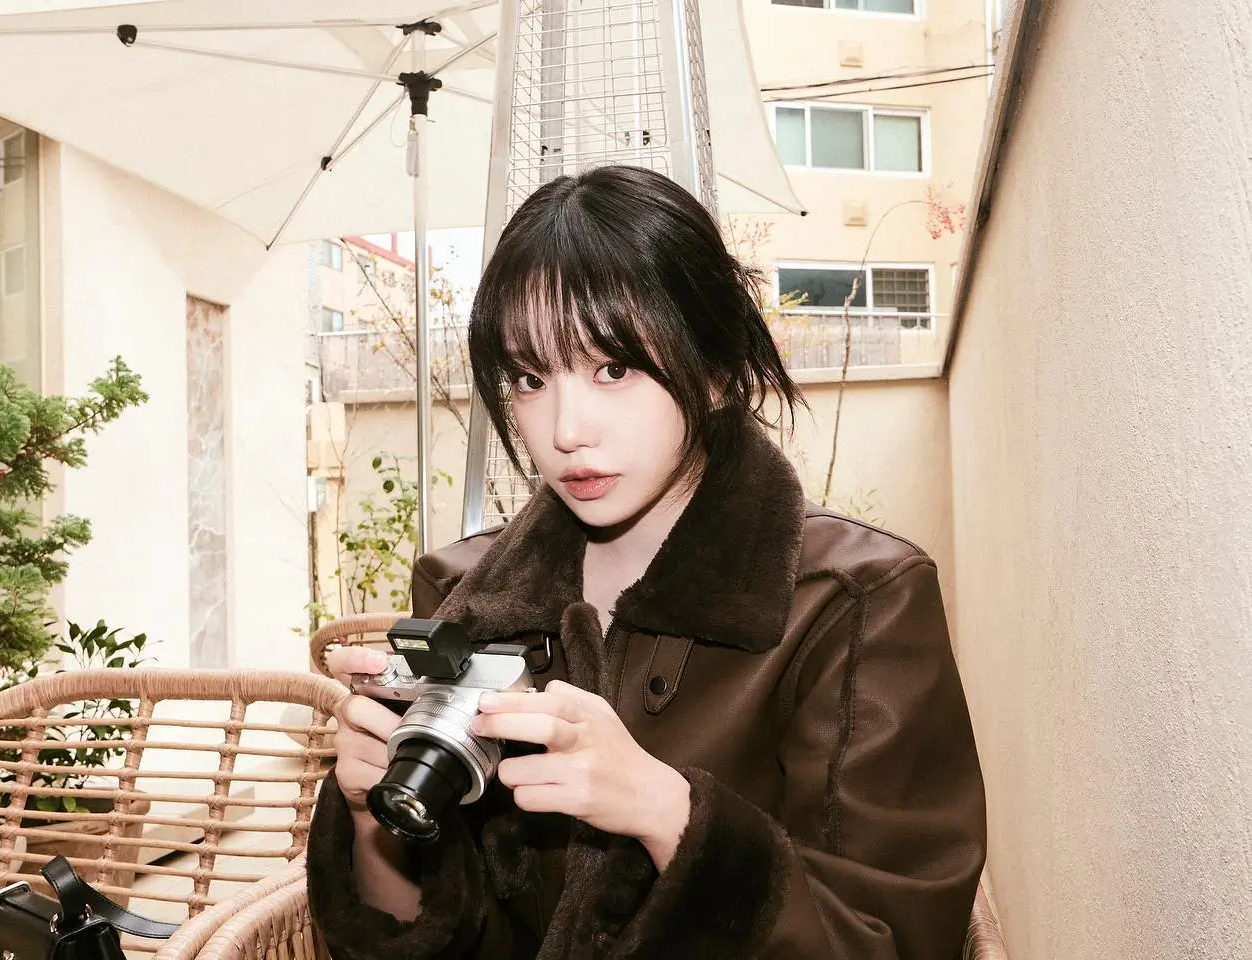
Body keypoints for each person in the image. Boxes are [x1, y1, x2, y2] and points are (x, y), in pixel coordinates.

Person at [306, 165, 986, 959]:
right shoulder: (463, 594)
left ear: (718, 370)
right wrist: (371, 817)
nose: (566, 430)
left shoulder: (856, 604)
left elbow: (895, 940)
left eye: (614, 369)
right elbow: (448, 939)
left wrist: (669, 814)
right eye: (530, 378)